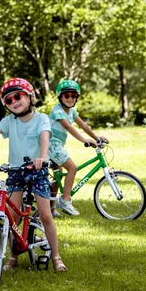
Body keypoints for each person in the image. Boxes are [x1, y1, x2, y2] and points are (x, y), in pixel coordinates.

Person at [0, 78, 67, 272]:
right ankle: (12, 256)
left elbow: (45, 138)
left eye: (17, 96)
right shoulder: (9, 121)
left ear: (29, 96)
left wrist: (42, 158)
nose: (14, 102)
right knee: (11, 217)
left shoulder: (41, 118)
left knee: (45, 214)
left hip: (38, 170)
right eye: (8, 100)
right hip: (16, 172)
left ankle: (56, 256)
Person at [48, 80, 108, 217]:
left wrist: (96, 137)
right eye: (66, 95)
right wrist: (85, 140)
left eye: (73, 95)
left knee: (57, 176)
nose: (70, 98)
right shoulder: (57, 110)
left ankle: (52, 208)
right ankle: (65, 200)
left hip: (57, 145)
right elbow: (68, 127)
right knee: (72, 168)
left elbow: (84, 126)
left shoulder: (72, 111)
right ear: (60, 97)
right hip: (50, 144)